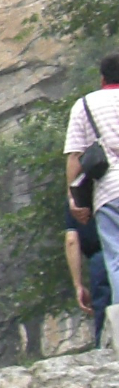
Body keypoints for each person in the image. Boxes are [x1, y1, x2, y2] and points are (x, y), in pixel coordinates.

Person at [66, 52, 119, 294]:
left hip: (109, 192)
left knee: (116, 260)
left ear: (102, 79)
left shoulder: (84, 105)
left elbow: (75, 158)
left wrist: (73, 199)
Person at [65, 197, 111, 347]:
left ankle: (105, 353)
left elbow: (72, 240)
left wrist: (78, 284)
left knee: (104, 316)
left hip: (100, 259)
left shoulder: (76, 197)